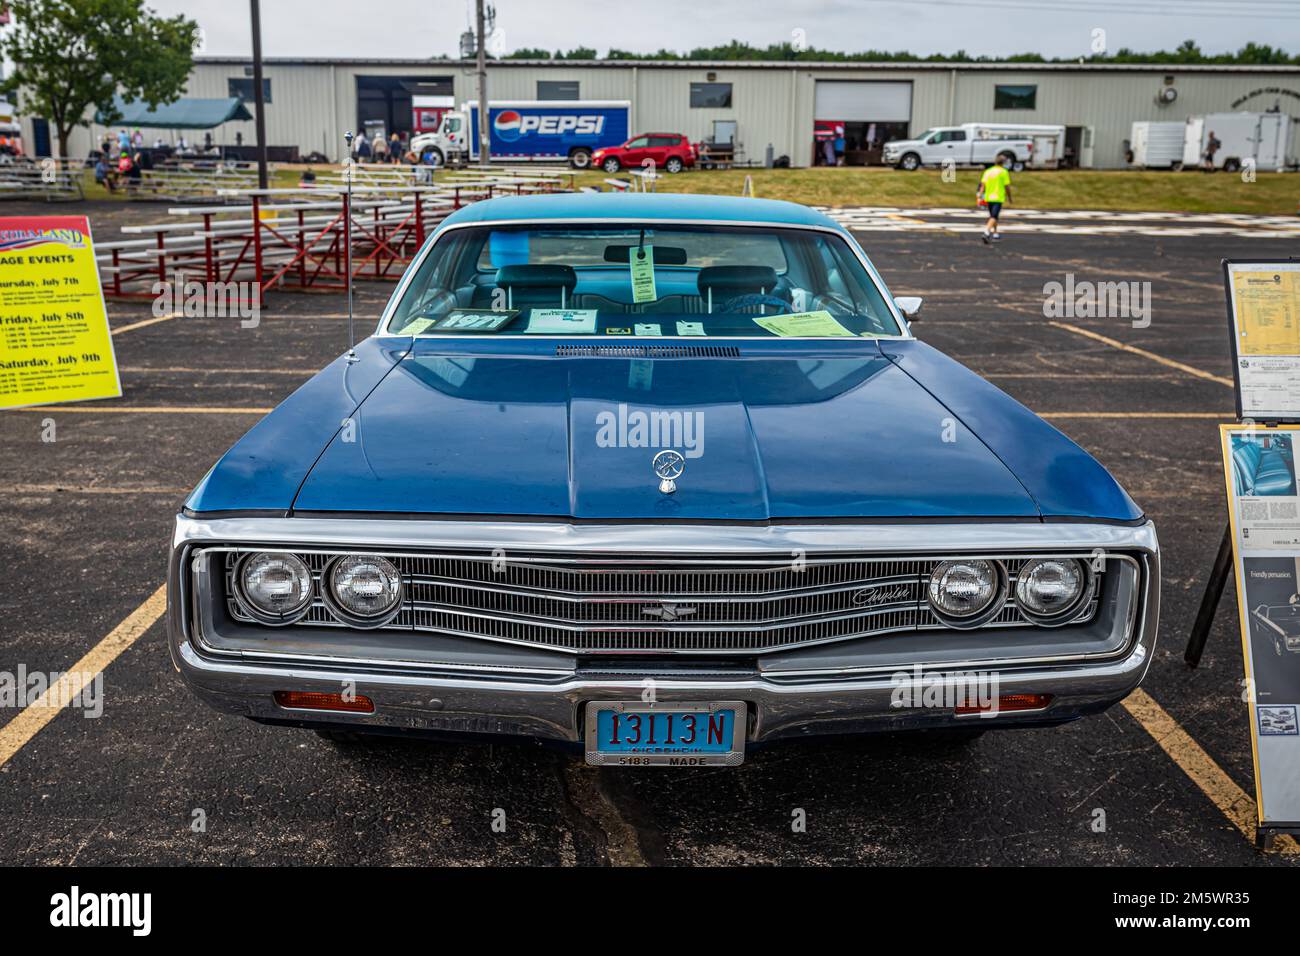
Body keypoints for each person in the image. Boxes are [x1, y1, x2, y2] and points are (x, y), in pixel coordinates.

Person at [976, 157, 1012, 243]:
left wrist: (979, 196)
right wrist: (1009, 197)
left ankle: (995, 234)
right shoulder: (1004, 172)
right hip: (998, 198)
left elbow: (982, 185)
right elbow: (1007, 186)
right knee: (994, 216)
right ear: (1003, 163)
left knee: (993, 216)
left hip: (988, 197)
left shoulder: (988, 171)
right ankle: (986, 232)